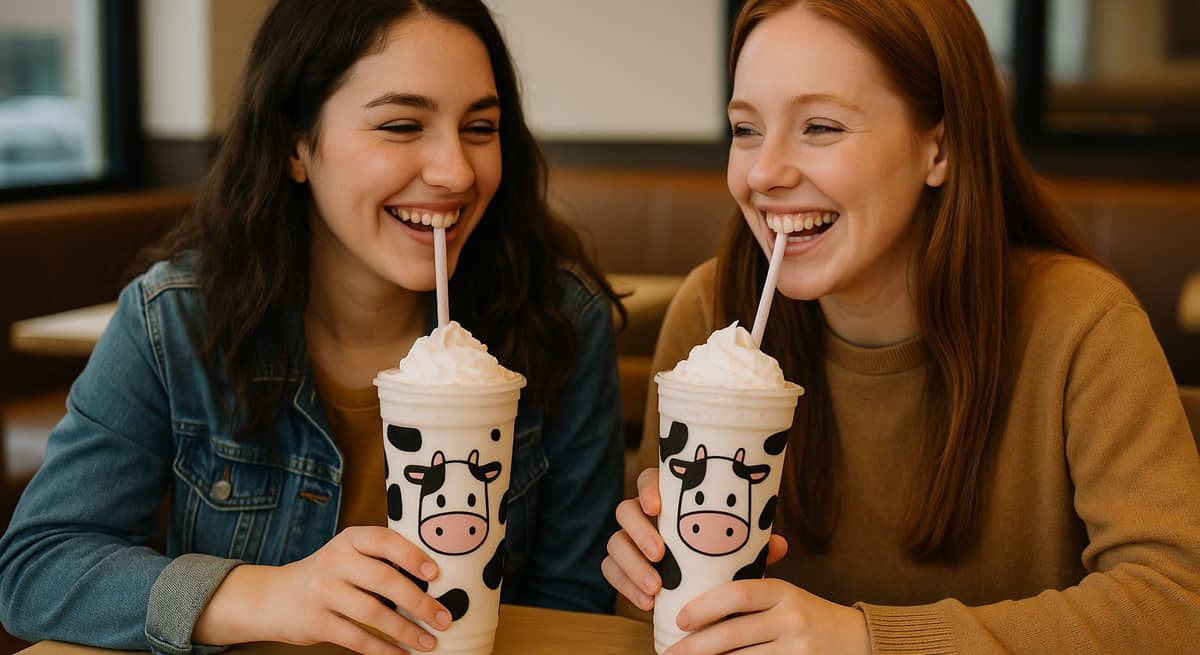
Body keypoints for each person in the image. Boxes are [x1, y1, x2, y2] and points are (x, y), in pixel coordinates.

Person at [0, 1, 625, 653]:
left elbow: (570, 601)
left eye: (480, 126)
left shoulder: (559, 320)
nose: (457, 171)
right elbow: (38, 566)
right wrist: (265, 595)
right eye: (403, 124)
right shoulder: (176, 320)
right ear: (296, 144)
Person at [603, 1, 1200, 653]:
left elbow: (1176, 602)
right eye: (745, 130)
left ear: (937, 147)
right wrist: (649, 573)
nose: (764, 173)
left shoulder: (1082, 326)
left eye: (821, 127)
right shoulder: (715, 315)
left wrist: (869, 639)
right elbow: (657, 629)